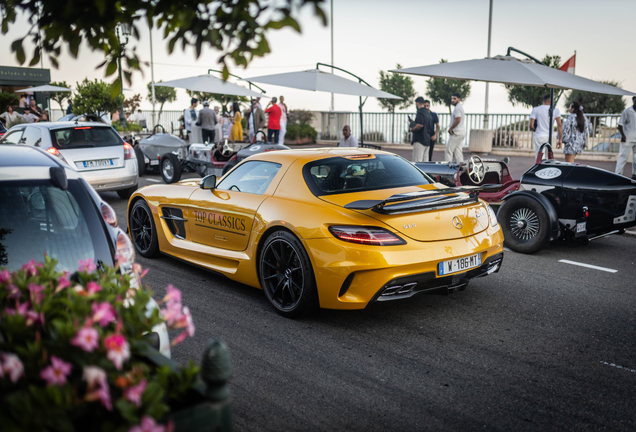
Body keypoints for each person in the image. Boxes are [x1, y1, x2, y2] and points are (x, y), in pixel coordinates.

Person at [615, 96, 636, 179]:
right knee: (623, 157)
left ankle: (634, 174)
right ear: (633, 101)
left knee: (635, 158)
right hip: (628, 138)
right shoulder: (627, 111)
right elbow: (620, 125)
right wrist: (623, 136)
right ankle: (618, 174)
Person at [410, 96, 431, 162]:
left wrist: (412, 129)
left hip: (420, 140)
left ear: (417, 104)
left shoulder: (420, 112)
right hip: (427, 140)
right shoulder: (428, 113)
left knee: (417, 161)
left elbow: (420, 125)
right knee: (425, 163)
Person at [446, 93, 465, 163]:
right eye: (452, 99)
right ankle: (461, 167)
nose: (452, 100)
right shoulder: (460, 107)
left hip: (457, 132)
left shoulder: (457, 108)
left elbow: (458, 119)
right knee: (458, 151)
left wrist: (451, 128)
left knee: (448, 151)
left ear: (459, 99)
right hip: (461, 132)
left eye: (454, 99)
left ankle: (447, 168)